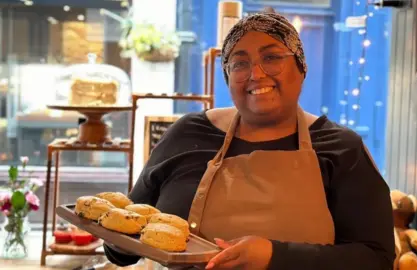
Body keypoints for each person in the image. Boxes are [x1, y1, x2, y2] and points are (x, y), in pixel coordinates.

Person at [104, 11, 395, 270]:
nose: (256, 74)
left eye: (272, 58)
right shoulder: (188, 133)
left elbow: (375, 258)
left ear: (301, 68)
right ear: (228, 76)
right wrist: (115, 238)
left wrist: (275, 256)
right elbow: (129, 235)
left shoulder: (341, 148)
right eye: (240, 63)